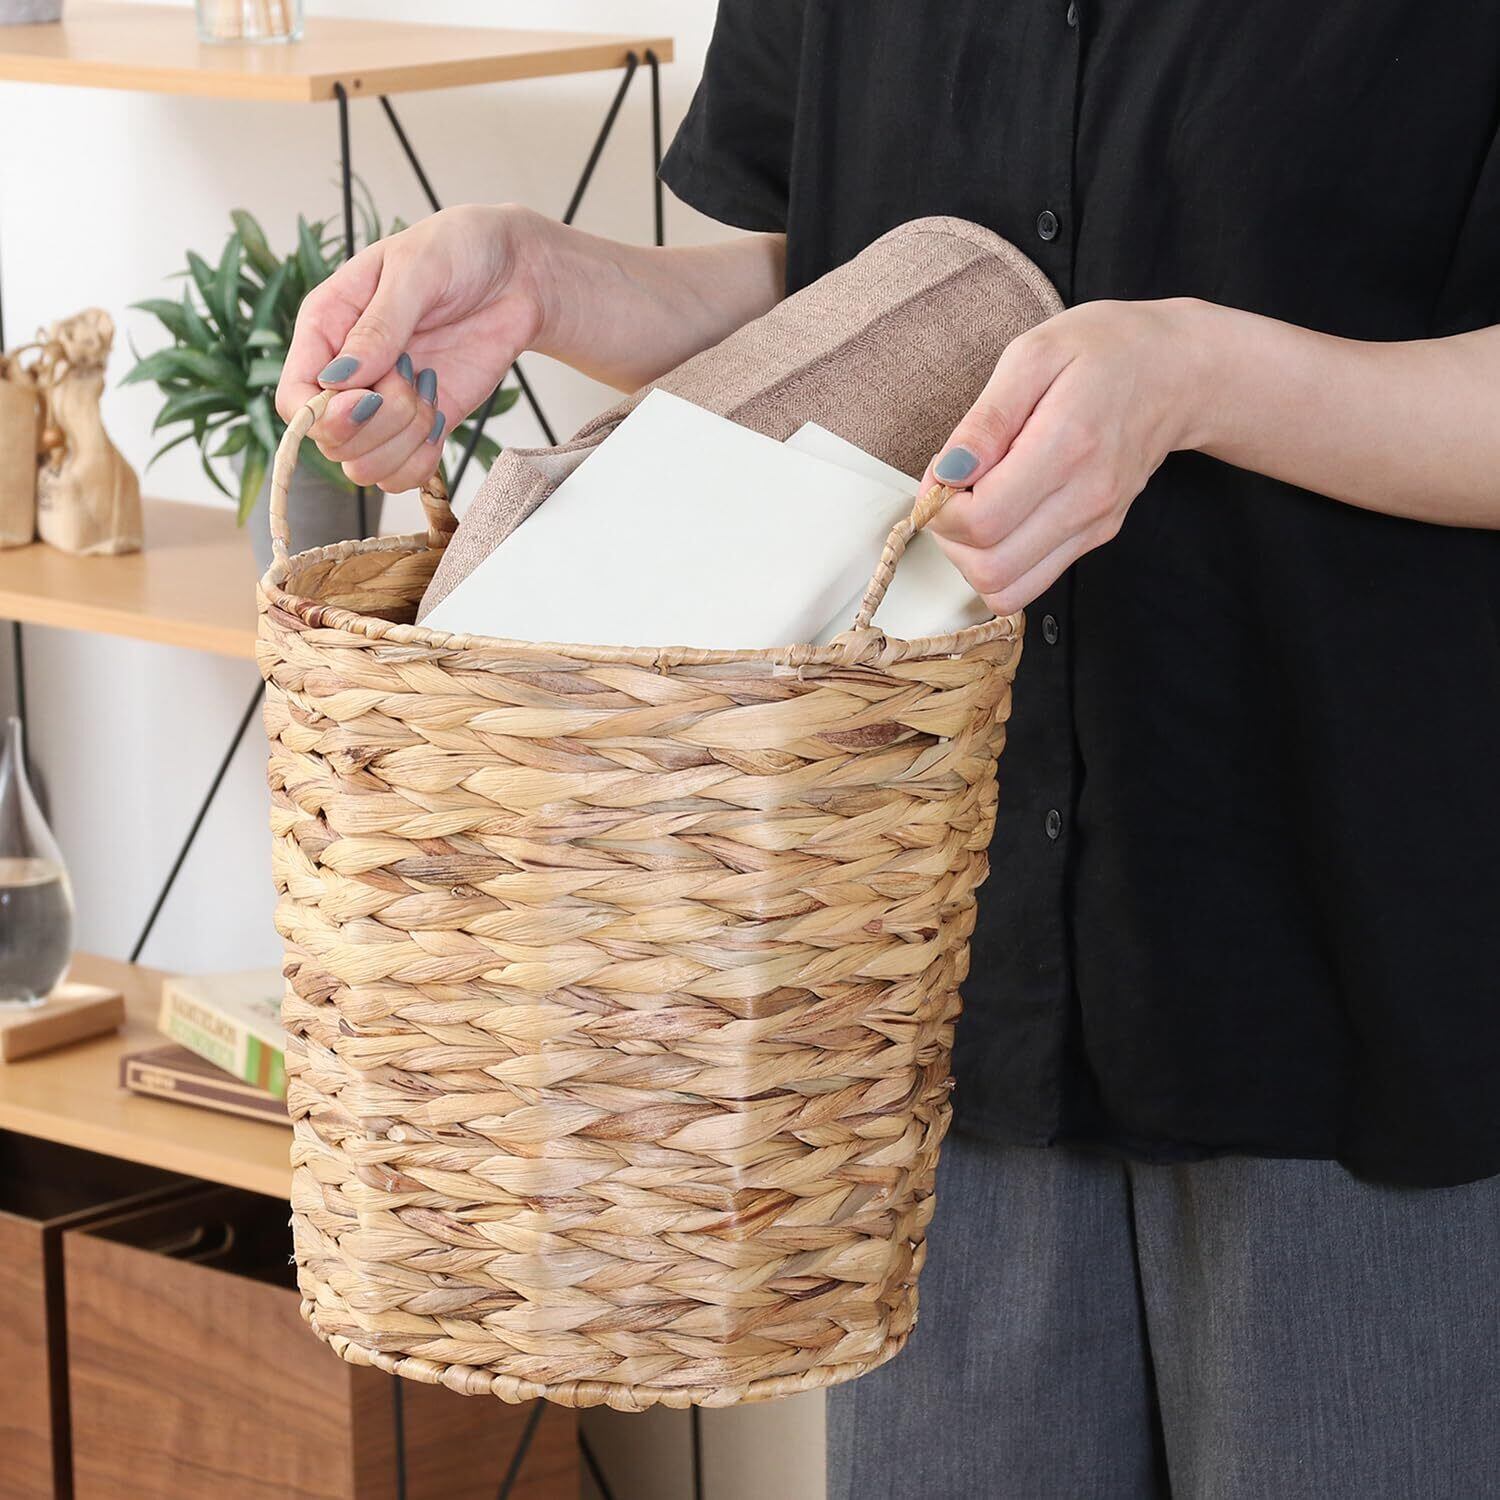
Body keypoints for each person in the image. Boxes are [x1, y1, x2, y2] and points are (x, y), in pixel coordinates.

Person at [278, 5, 1500, 1495]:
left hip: (1365, 990)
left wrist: (1197, 376)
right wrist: (545, 280)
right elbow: (849, 299)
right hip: (921, 994)